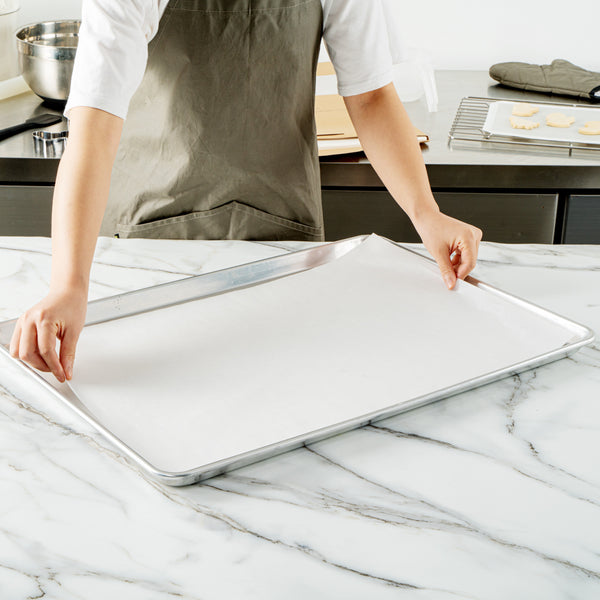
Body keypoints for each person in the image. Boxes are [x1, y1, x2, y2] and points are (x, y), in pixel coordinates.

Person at [10, 0, 482, 383]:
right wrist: (69, 284)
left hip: (284, 241)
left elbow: (371, 95)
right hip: (149, 240)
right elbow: (94, 127)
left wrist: (426, 213)